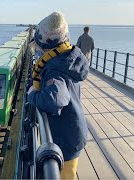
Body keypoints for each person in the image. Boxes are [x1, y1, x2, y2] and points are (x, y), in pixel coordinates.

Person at [27, 11, 89, 179]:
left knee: (64, 175)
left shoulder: (55, 71)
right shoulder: (67, 59)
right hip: (72, 131)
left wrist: (32, 94)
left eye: (39, 48)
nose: (38, 52)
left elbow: (53, 100)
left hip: (65, 139)